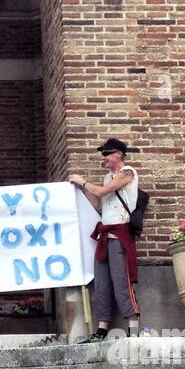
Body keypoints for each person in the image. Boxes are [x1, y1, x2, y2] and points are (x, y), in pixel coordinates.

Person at [69, 138, 140, 342]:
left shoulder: (128, 173)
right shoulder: (107, 176)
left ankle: (133, 328)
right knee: (101, 285)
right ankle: (101, 329)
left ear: (118, 154)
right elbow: (101, 205)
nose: (104, 158)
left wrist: (83, 181)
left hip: (119, 236)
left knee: (121, 283)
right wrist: (82, 189)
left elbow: (102, 192)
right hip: (105, 237)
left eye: (107, 154)